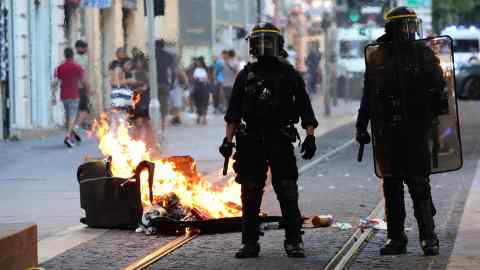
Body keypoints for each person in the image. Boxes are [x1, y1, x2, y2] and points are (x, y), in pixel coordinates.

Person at [219, 22, 318, 258]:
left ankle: (294, 241)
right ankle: (249, 243)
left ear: (277, 46)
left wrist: (310, 136)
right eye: (259, 42)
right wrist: (228, 140)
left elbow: (305, 108)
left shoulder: (289, 74)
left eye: (268, 42)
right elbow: (234, 112)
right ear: (253, 46)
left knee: (287, 191)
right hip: (251, 140)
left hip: (280, 138)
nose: (263, 47)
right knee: (250, 193)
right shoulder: (245, 75)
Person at [356, 7, 448, 256]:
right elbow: (368, 95)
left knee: (419, 185)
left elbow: (440, 89)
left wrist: (433, 115)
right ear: (392, 29)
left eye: (411, 25)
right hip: (388, 131)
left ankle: (429, 238)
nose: (408, 30)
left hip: (416, 129)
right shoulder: (378, 56)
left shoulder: (423, 54)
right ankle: (396, 239)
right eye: (403, 25)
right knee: (392, 187)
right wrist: (361, 126)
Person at [51, 48, 89, 147]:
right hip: (74, 94)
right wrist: (88, 90)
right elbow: (84, 80)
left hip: (64, 95)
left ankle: (72, 135)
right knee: (72, 116)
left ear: (65, 55)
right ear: (72, 55)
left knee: (69, 116)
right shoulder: (77, 67)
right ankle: (68, 136)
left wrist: (53, 95)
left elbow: (55, 82)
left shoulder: (59, 68)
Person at [155, 39, 176, 132]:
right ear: (163, 46)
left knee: (151, 106)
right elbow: (173, 72)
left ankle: (154, 128)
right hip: (164, 84)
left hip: (153, 85)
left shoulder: (151, 56)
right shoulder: (169, 56)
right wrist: (171, 84)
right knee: (163, 107)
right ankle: (162, 129)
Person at [74, 40, 90, 135]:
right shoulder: (76, 58)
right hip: (79, 87)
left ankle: (74, 126)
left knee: (79, 109)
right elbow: (81, 75)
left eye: (85, 47)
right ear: (78, 48)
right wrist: (87, 87)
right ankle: (75, 127)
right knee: (85, 109)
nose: (85, 49)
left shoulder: (84, 57)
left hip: (79, 86)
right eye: (83, 47)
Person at [192, 57, 209, 125]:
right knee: (198, 102)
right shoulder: (196, 69)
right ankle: (199, 116)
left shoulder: (204, 69)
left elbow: (206, 79)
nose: (197, 63)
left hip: (202, 87)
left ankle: (203, 117)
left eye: (198, 62)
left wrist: (200, 78)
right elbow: (194, 77)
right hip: (198, 87)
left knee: (204, 102)